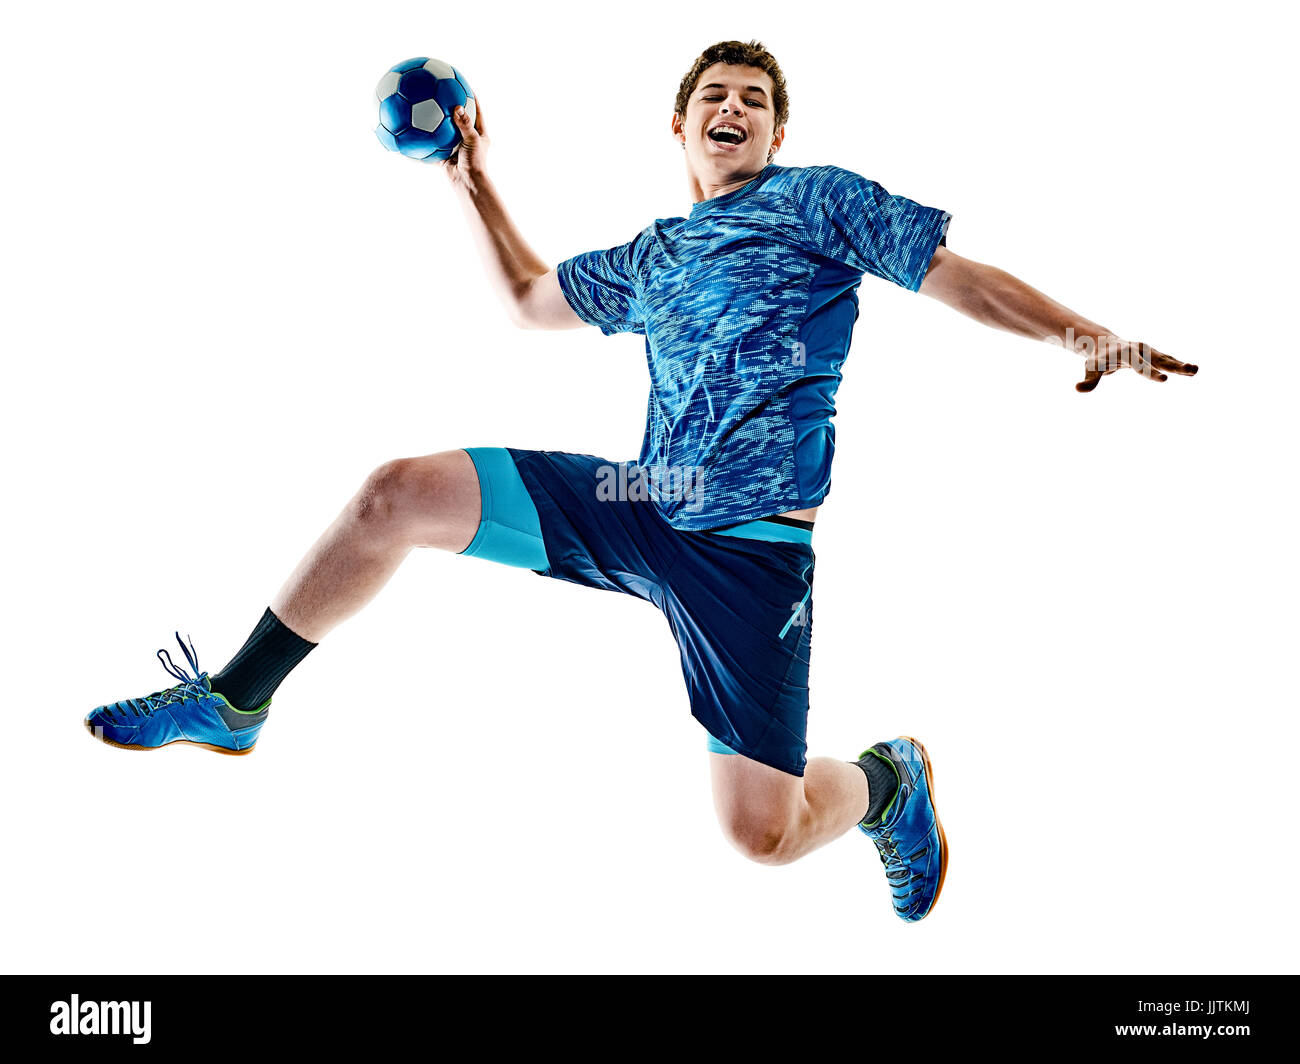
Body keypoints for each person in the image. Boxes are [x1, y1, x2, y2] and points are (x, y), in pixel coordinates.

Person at [85, 39, 1196, 923]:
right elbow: (527, 299)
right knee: (395, 493)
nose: (734, 110)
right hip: (639, 497)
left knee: (762, 831)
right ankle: (236, 697)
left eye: (754, 100)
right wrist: (473, 179)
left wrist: (1079, 333)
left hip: (750, 552)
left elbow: (955, 276)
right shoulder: (657, 255)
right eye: (715, 94)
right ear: (679, 123)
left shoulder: (817, 203)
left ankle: (889, 783)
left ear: (775, 128)